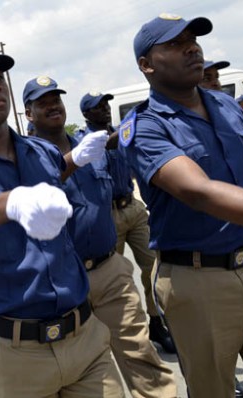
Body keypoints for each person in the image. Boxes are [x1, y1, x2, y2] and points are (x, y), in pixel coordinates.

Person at [0, 48, 123, 397]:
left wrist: (75, 159)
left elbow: (55, 171)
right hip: (21, 354)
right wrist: (14, 202)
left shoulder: (42, 151)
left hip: (85, 337)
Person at [119, 13, 243, 397]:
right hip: (199, 281)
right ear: (146, 65)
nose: (192, 48)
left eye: (193, 39)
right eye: (175, 44)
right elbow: (200, 192)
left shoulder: (225, 106)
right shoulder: (145, 127)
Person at [25, 76, 176, 397]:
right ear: (29, 113)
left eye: (56, 100)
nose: (53, 106)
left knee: (139, 351)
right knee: (88, 371)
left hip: (109, 270)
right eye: (43, 102)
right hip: (64, 279)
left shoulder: (90, 144)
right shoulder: (27, 157)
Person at [79, 91, 176, 354]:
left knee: (154, 267)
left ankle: (157, 323)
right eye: (98, 107)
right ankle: (113, 336)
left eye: (106, 104)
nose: (105, 109)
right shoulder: (81, 143)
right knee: (113, 279)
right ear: (86, 114)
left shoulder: (123, 134)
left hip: (132, 207)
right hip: (105, 215)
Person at [199, 60, 243, 398]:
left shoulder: (229, 106)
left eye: (217, 76)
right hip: (205, 262)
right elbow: (197, 190)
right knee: (213, 364)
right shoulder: (153, 123)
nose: (215, 82)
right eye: (208, 77)